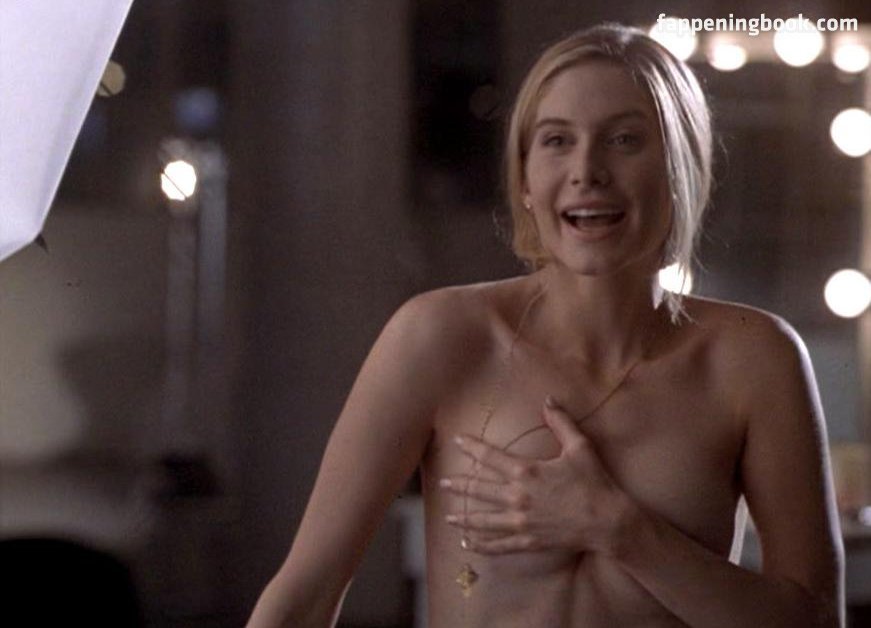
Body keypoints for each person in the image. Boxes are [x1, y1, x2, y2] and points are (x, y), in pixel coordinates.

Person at [246, 23, 845, 628]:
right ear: (526, 179)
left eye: (624, 140)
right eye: (557, 140)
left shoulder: (753, 359)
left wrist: (619, 529)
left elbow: (818, 620)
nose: (587, 170)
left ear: (679, 167)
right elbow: (304, 598)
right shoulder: (440, 336)